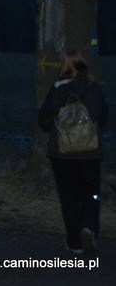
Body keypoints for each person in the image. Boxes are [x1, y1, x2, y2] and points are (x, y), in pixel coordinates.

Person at [38, 47, 108, 256]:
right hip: (89, 153)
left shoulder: (56, 89)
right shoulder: (94, 89)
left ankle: (74, 243)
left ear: (62, 66)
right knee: (91, 194)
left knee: (68, 197)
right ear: (82, 64)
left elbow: (43, 122)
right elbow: (103, 120)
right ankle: (89, 228)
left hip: (61, 153)